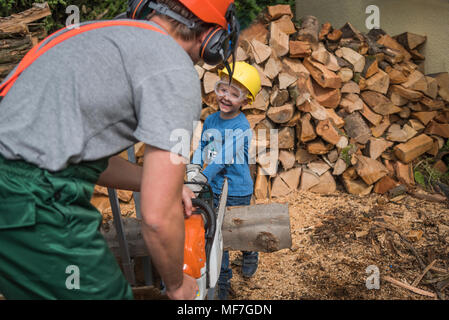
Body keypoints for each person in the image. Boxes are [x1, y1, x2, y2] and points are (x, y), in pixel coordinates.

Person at [0, 0, 239, 300]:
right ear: (212, 39)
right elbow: (156, 217)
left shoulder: (97, 35)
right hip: (32, 203)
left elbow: (77, 158)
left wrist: (160, 183)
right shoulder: (174, 69)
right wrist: (177, 285)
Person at [189, 61, 261, 300]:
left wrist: (200, 178)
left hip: (237, 189)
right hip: (214, 187)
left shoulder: (242, 127)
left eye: (234, 93)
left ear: (246, 101)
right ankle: (223, 281)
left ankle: (250, 252)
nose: (225, 96)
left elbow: (222, 158)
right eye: (222, 88)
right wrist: (195, 167)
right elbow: (202, 146)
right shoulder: (210, 120)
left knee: (240, 229)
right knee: (218, 233)